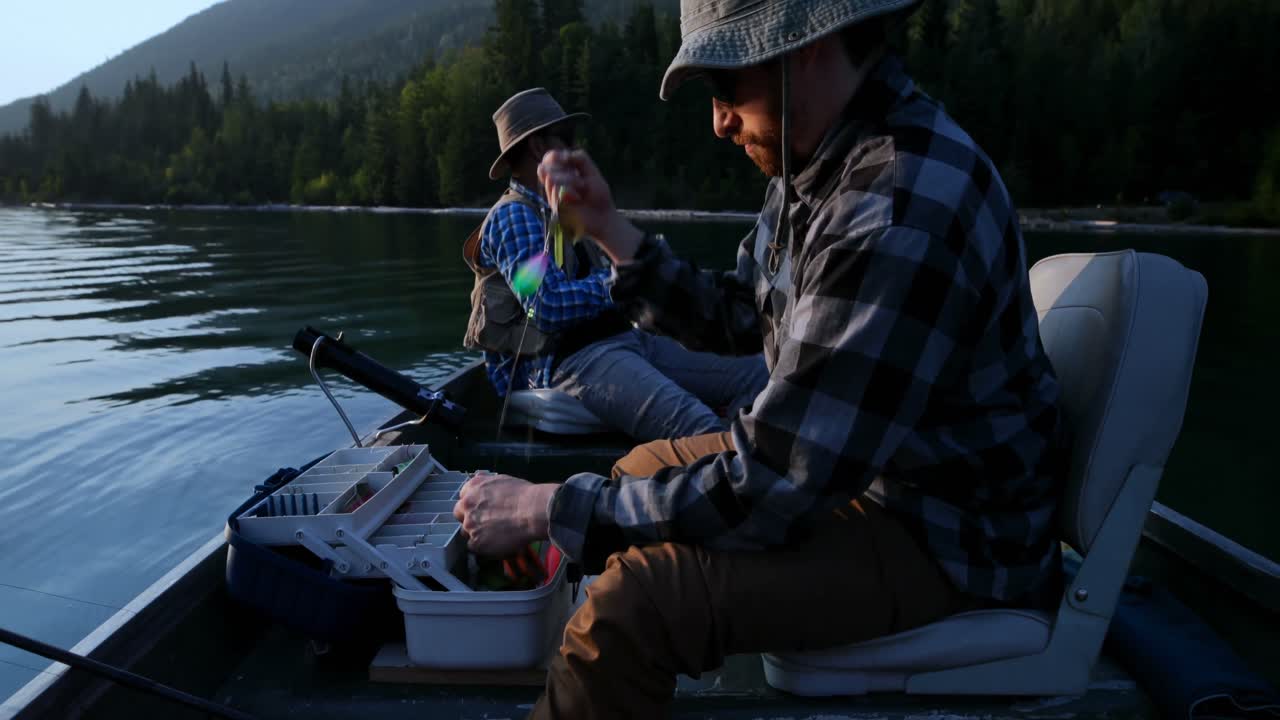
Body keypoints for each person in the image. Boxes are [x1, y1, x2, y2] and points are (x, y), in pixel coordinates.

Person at [453, 2, 1070, 717]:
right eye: (539, 144)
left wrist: (549, 502)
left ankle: (592, 585)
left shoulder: (891, 203)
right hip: (560, 368)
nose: (555, 152)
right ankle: (517, 594)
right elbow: (551, 309)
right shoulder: (511, 222)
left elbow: (770, 467)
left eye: (724, 87)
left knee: (639, 570)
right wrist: (610, 238)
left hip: (947, 533)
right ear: (520, 158)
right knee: (644, 463)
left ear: (802, 49)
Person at [465, 87, 768, 441]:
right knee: (700, 428)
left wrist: (638, 278)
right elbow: (546, 306)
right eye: (566, 137)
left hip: (625, 339)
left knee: (761, 374)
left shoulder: (564, 206)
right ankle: (726, 474)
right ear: (536, 147)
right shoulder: (514, 216)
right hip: (568, 360)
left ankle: (736, 459)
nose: (575, 146)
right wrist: (627, 280)